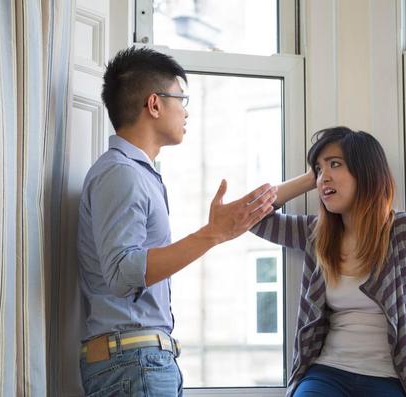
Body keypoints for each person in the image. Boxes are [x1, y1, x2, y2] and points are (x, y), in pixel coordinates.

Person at [76, 46, 277, 396]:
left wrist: (310, 179)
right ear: (154, 104)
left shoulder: (135, 173)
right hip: (134, 363)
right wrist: (212, 234)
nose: (186, 111)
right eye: (180, 99)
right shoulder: (121, 174)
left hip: (138, 361)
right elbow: (124, 273)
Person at [252, 126, 406, 397]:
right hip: (327, 374)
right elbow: (251, 218)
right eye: (319, 169)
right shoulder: (316, 234)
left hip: (391, 379)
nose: (324, 177)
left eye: (335, 164)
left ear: (366, 171)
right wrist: (311, 178)